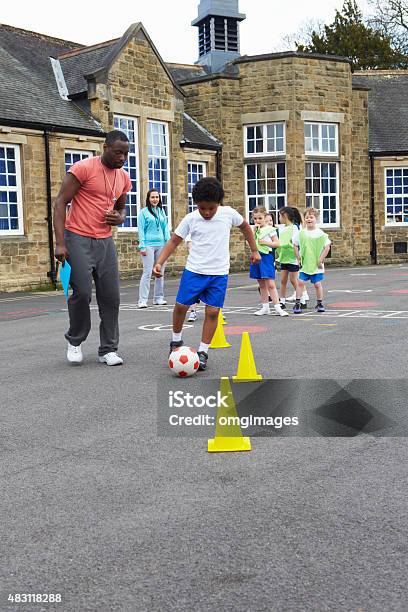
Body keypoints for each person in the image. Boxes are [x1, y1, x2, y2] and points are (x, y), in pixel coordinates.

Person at [152, 176, 260, 371]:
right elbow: (174, 241)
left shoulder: (228, 214)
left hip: (218, 273)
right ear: (196, 205)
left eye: (211, 208)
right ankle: (176, 341)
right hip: (194, 270)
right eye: (202, 208)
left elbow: (245, 227)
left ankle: (203, 352)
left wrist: (254, 250)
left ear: (219, 203)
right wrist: (159, 262)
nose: (207, 212)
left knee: (212, 312)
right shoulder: (191, 219)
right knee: (180, 306)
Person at [53, 130, 132, 365]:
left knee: (111, 297)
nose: (122, 158)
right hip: (77, 237)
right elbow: (60, 203)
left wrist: (119, 218)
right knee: (82, 293)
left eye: (126, 154)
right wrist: (59, 243)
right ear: (105, 147)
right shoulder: (83, 168)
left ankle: (108, 349)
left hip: (105, 241)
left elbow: (121, 209)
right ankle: (75, 341)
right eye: (118, 152)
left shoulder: (123, 177)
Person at [250, 207, 288, 317]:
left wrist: (265, 243)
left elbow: (277, 243)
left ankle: (278, 307)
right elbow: (250, 242)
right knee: (261, 283)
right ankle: (265, 307)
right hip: (256, 256)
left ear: (265, 217)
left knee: (270, 284)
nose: (257, 221)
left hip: (266, 257)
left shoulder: (270, 230)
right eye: (255, 218)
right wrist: (253, 232)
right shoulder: (255, 229)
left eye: (260, 218)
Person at [292, 207, 331, 314]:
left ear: (316, 219)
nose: (309, 219)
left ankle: (319, 303)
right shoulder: (301, 233)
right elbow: (295, 245)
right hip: (305, 263)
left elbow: (327, 247)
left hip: (316, 264)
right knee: (300, 283)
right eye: (307, 217)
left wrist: (321, 259)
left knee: (317, 284)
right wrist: (298, 258)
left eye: (311, 217)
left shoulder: (320, 233)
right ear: (304, 219)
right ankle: (297, 303)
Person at [138, 189, 170, 308]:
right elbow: (141, 230)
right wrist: (142, 246)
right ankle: (142, 300)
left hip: (161, 244)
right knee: (147, 273)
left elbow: (165, 228)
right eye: (152, 197)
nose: (155, 199)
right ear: (148, 198)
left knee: (160, 272)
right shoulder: (143, 212)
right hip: (148, 245)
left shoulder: (161, 211)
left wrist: (168, 243)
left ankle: (158, 298)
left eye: (157, 197)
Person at [277, 206, 301, 310]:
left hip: (292, 257)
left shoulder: (294, 227)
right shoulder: (280, 228)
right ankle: (281, 301)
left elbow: (295, 242)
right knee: (283, 280)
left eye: (279, 216)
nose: (279, 218)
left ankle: (300, 299)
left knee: (293, 280)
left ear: (285, 216)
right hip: (284, 257)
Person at [185, 234, 200, 322]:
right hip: (195, 267)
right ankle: (193, 312)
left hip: (210, 267)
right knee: (193, 291)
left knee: (212, 291)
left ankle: (218, 312)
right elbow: (191, 250)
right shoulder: (190, 236)